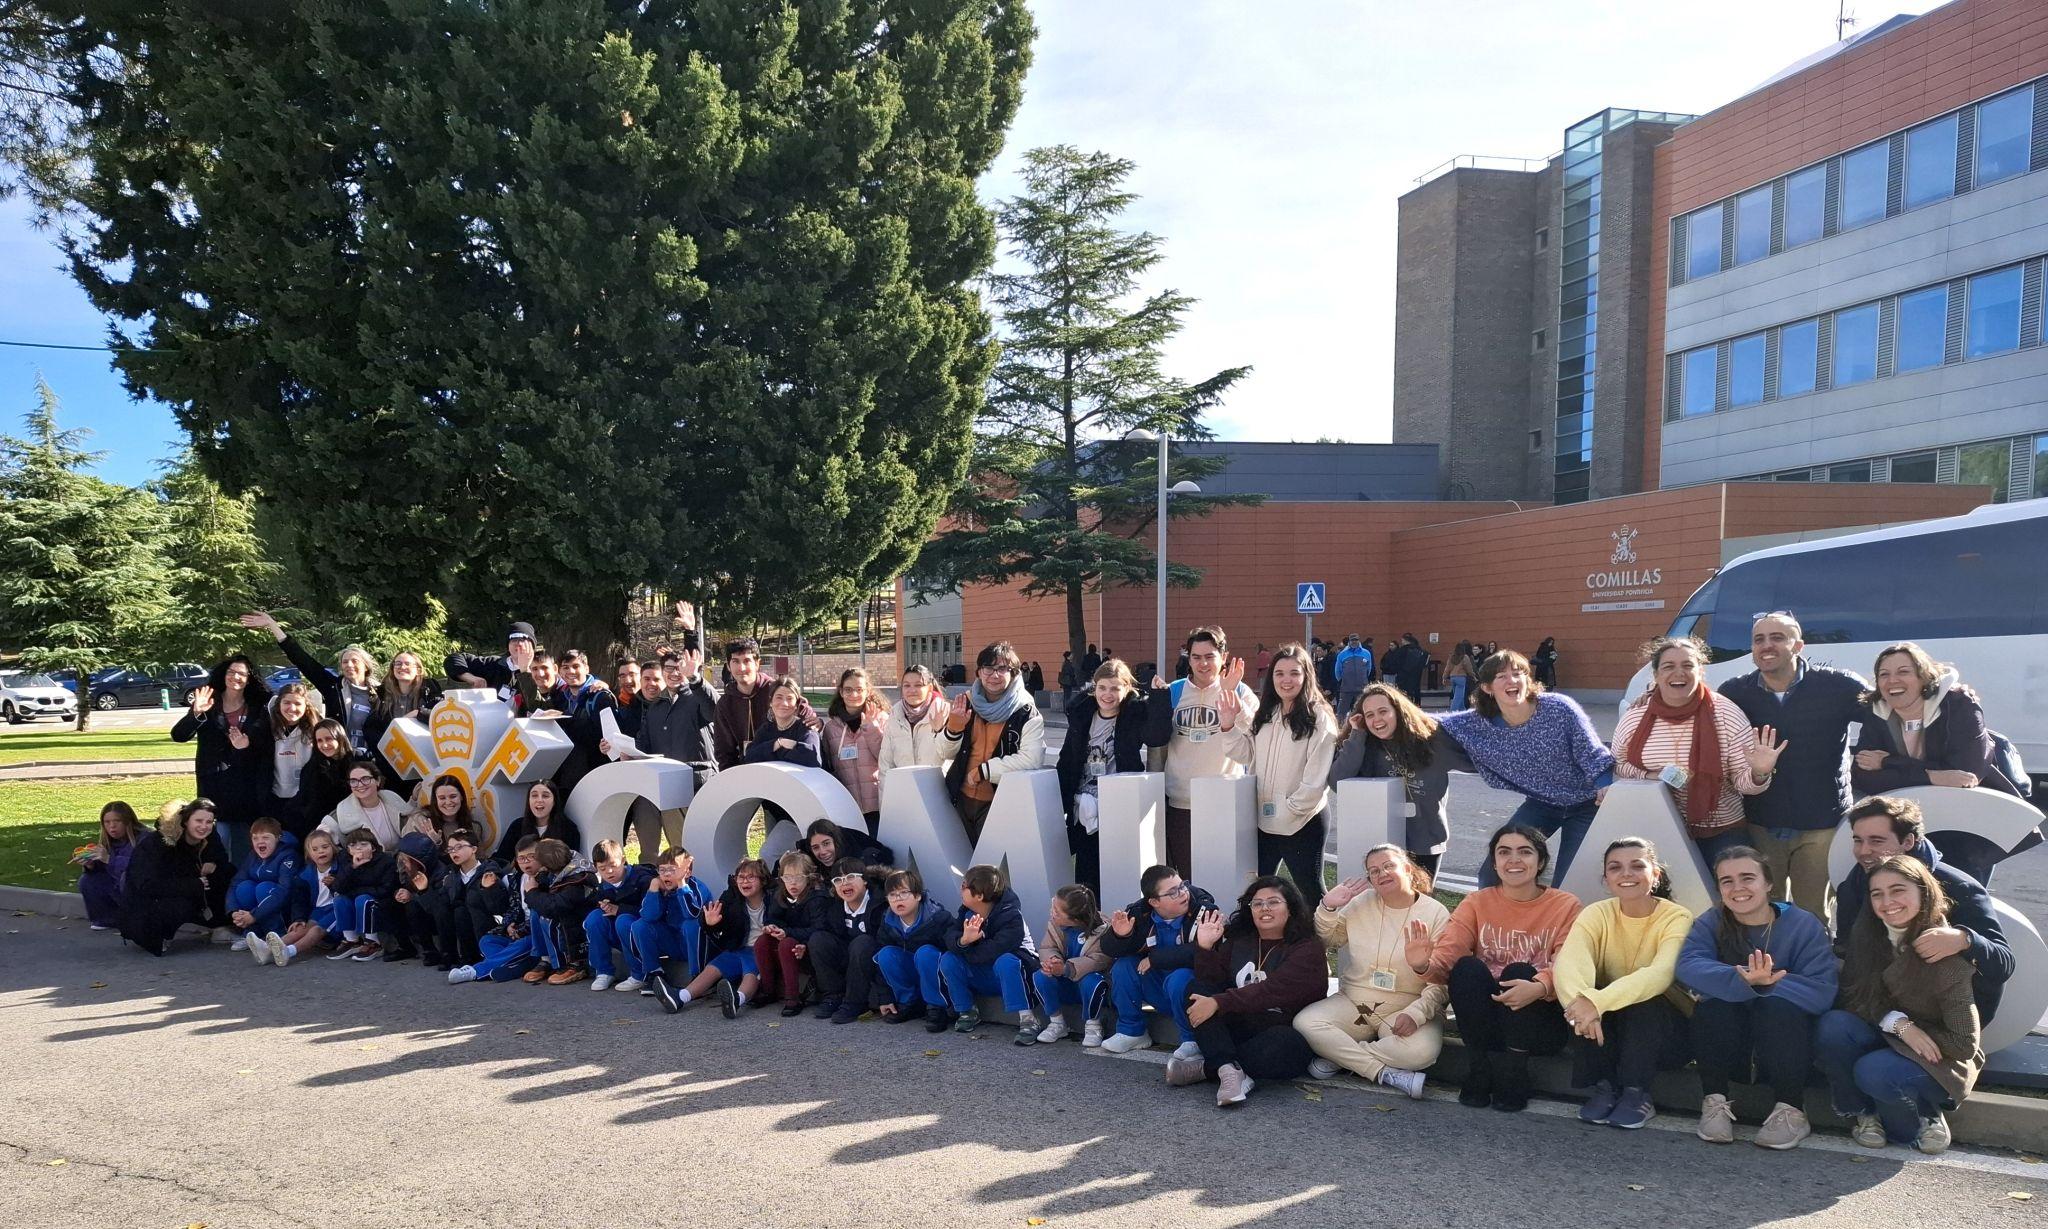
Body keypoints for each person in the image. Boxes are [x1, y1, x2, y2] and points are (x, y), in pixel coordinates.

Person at [1815, 855, 1983, 1154]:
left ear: (1924, 892)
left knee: (1874, 1072)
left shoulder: (1945, 952)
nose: (1887, 901)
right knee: (1834, 1026)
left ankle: (1926, 1112)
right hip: (1885, 1034)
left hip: (1936, 1057)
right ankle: (1862, 1113)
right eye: (1877, 893)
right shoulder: (1867, 935)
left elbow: (1964, 1044)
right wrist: (1898, 1024)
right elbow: (1852, 996)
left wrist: (1916, 1032)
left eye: (1898, 890)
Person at [1412, 823, 1581, 1111]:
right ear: (1495, 862)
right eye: (1504, 852)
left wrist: (1541, 987)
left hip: (1540, 1024)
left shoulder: (1565, 905)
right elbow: (1449, 956)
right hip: (1488, 1021)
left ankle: (1515, 1072)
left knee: (1520, 972)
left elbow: (1569, 964)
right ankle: (1479, 1068)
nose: (1514, 860)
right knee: (1466, 968)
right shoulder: (1477, 902)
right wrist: (1422, 965)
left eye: (1524, 852)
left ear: (1540, 861)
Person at [1677, 846, 1838, 1149]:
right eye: (1727, 881)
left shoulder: (1803, 924)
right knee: (1714, 1007)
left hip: (1785, 1042)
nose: (1737, 888)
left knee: (1777, 1006)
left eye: (1747, 878)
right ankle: (1714, 1101)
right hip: (1731, 1040)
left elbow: (1822, 991)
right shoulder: (1712, 921)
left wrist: (1766, 987)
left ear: (1768, 884)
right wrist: (1743, 981)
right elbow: (1688, 966)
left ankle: (1791, 1109)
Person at [1717, 611, 1869, 924]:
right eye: (1759, 639)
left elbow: (1888, 712)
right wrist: (1652, 699)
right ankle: (1770, 967)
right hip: (1763, 821)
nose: (1766, 645)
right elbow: (1699, 713)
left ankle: (1812, 970)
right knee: (1764, 907)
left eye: (1777, 637)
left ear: (1798, 645)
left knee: (1812, 911)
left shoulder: (1839, 687)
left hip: (1821, 822)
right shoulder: (1735, 692)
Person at [1852, 642, 2028, 885]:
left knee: (1963, 895)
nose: (1893, 680)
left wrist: (1889, 763)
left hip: (1965, 826)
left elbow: (1967, 774)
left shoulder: (1959, 703)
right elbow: (1863, 775)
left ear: (1924, 676)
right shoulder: (1876, 712)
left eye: (1904, 672)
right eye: (1884, 674)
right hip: (1909, 828)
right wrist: (1934, 776)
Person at [1553, 837, 1695, 1130]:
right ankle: (1605, 1087)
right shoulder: (1596, 913)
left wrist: (1596, 1002)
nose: (1626, 874)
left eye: (1637, 866)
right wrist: (1582, 1003)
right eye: (1615, 868)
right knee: (1580, 997)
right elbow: (1569, 964)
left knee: (1643, 1000)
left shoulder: (1677, 917)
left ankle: (1636, 1092)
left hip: (1665, 1033)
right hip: (1611, 1027)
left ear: (1655, 875)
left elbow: (1660, 974)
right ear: (1606, 879)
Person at [1833, 796, 2012, 1025]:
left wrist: (1964, 940)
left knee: (1878, 1063)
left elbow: (2003, 963)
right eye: (1858, 840)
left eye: (1876, 841)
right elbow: (1846, 952)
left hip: (1941, 1020)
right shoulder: (1854, 887)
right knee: (1834, 1029)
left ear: (1908, 842)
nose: (1863, 851)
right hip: (1880, 1010)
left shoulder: (1960, 888)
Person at [1439, 650, 1613, 886]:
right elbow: (1431, 722)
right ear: (1488, 688)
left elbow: (1591, 750)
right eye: (1501, 676)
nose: (1511, 680)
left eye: (1518, 673)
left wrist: (1604, 784)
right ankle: (1494, 922)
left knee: (1569, 883)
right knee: (1493, 875)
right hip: (1542, 804)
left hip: (1587, 805)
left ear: (1528, 679)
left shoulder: (1558, 708)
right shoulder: (1477, 722)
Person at [1611, 636, 1785, 865]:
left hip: (1720, 831)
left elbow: (1744, 784)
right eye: (1668, 667)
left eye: (1687, 665)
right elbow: (1618, 765)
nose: (1678, 673)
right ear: (1656, 675)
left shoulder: (1727, 714)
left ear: (1700, 671)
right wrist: (1650, 776)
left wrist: (1759, 773)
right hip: (1654, 827)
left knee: (1729, 894)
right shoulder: (1635, 717)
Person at [1295, 846, 1450, 1098]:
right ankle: (1383, 1072)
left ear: (1408, 869)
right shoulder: (1360, 903)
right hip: (1355, 1002)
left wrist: (1417, 1014)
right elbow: (1328, 940)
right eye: (1374, 871)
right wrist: (1327, 907)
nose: (1381, 874)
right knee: (1306, 1023)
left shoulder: (1435, 913)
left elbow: (1442, 981)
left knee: (1422, 1052)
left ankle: (1342, 1055)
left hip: (1406, 1006)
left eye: (1389, 866)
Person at [1163, 876, 1324, 1106]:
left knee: (1284, 1044)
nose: (1264, 909)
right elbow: (1213, 980)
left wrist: (1219, 1003)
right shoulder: (1242, 940)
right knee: (1197, 990)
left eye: (1273, 902)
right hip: (1241, 1023)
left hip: (1281, 1029)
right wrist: (1205, 947)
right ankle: (1230, 1070)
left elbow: (1273, 990)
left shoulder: (1307, 948)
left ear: (1291, 907)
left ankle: (1211, 1068)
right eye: (1257, 904)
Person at [1218, 642, 1337, 890]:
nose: (1286, 680)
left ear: (1306, 676)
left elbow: (1316, 780)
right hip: (1264, 821)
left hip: (1303, 821)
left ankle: (1319, 931)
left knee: (1310, 890)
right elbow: (1246, 754)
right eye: (1279, 673)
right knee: (1258, 890)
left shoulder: (1319, 717)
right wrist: (1228, 726)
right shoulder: (1267, 712)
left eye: (1294, 673)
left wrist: (1289, 810)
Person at [1328, 683, 1474, 877]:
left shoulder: (1431, 740)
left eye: (1383, 711)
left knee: (1420, 902)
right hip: (1381, 841)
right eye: (1369, 715)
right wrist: (1357, 734)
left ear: (1398, 711)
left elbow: (1476, 762)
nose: (1377, 720)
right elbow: (1338, 782)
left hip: (1425, 840)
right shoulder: (1365, 746)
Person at [1055, 659, 1169, 891]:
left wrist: (1160, 698)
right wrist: (1060, 798)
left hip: (1119, 804)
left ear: (1127, 689)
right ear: (1094, 688)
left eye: (1116, 688)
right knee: (1086, 872)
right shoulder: (1081, 713)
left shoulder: (1134, 714)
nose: (1108, 694)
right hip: (1083, 807)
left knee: (1118, 870)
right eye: (1102, 687)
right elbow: (1067, 758)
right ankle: (1090, 919)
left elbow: (1157, 737)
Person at [1155, 627, 1260, 876]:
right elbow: (1157, 741)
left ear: (1223, 657)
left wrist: (1229, 693)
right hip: (1181, 801)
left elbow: (1256, 734)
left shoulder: (1241, 691)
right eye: (1196, 657)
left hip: (1224, 800)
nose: (1203, 663)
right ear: (1188, 658)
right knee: (1186, 876)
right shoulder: (1174, 691)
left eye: (1210, 656)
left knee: (1226, 875)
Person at [1098, 864, 1219, 1057]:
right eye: (1173, 892)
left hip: (1190, 992)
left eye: (1182, 886)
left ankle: (1191, 1039)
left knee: (1180, 976)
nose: (1182, 894)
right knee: (1124, 965)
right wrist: (1120, 936)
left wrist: (1155, 959)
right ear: (1154, 901)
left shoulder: (1204, 911)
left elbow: (1201, 952)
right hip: (1157, 987)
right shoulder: (1139, 913)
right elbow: (1108, 949)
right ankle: (1132, 1031)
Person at [170, 655, 274, 865]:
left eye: (242, 674)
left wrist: (245, 747)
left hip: (247, 790)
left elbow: (265, 747)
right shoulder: (210, 703)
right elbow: (179, 735)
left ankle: (241, 892)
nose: (235, 677)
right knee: (217, 849)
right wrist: (196, 713)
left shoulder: (259, 707)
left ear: (249, 679)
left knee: (246, 853)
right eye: (231, 672)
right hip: (214, 787)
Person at [939, 640, 1045, 843]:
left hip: (1000, 803)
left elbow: (1032, 759)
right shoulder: (965, 703)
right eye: (988, 668)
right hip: (960, 798)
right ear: (978, 672)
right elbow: (943, 753)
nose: (994, 675)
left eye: (1002, 668)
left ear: (1014, 673)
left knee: (991, 867)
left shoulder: (1026, 711)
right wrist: (953, 728)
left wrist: (984, 771)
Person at [241, 611, 382, 759]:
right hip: (338, 757)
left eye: (354, 661)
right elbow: (303, 660)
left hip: (371, 760)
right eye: (345, 662)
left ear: (366, 666)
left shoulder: (381, 693)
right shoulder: (333, 687)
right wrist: (272, 625)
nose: (349, 665)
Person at [935, 863, 1041, 1042]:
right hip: (983, 973)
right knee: (949, 959)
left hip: (1013, 978)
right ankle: (967, 1011)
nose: (960, 890)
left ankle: (1028, 1019)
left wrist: (968, 947)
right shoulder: (966, 911)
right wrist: (964, 941)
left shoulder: (1011, 916)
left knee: (1006, 961)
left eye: (964, 886)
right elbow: (949, 936)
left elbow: (993, 951)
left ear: (979, 895)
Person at [119, 798, 232, 956]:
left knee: (227, 874)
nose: (204, 826)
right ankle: (157, 935)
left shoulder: (210, 836)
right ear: (185, 821)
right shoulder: (156, 844)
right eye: (198, 820)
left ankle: (221, 924)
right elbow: (147, 885)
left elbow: (221, 858)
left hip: (190, 886)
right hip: (148, 902)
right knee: (181, 903)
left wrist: (213, 861)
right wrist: (194, 884)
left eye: (209, 821)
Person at [658, 857, 769, 1016]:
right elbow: (711, 917)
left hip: (760, 950)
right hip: (737, 947)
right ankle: (680, 997)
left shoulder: (772, 898)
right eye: (741, 877)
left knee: (750, 973)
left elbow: (781, 919)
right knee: (713, 968)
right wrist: (711, 923)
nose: (745, 881)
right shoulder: (732, 897)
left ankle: (737, 999)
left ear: (763, 880)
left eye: (751, 877)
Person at [712, 636, 815, 771]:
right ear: (728, 666)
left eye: (747, 661)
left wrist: (815, 721)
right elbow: (724, 752)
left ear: (757, 663)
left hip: (782, 770)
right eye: (735, 661)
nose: (741, 668)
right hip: (744, 772)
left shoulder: (776, 690)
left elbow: (803, 711)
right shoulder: (725, 704)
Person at [806, 856, 888, 1023]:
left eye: (850, 877)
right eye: (838, 880)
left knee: (862, 942)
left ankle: (855, 1002)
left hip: (872, 960)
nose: (844, 883)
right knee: (818, 939)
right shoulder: (835, 906)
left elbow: (884, 942)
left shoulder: (880, 904)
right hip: (847, 958)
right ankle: (833, 995)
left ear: (865, 880)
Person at [450, 838, 542, 984]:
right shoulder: (516, 879)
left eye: (531, 857)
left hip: (537, 934)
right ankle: (520, 965)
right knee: (487, 941)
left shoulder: (546, 879)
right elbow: (512, 908)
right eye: (521, 858)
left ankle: (476, 970)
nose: (526, 862)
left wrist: (521, 930)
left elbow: (543, 912)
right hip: (517, 932)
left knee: (525, 943)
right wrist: (509, 924)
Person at [1029, 884, 1111, 1047]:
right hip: (1064, 984)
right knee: (1041, 976)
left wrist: (1066, 968)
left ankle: (1093, 1024)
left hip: (1086, 986)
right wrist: (1052, 961)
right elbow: (1047, 947)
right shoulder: (1055, 924)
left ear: (1075, 918)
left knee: (1092, 981)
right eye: (1053, 906)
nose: (1052, 913)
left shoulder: (1104, 929)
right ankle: (1057, 1022)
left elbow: (1100, 959)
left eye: (1057, 911)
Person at [872, 866, 954, 1026]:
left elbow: (953, 955)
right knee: (885, 954)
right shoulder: (888, 920)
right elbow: (878, 964)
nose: (898, 899)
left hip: (937, 978)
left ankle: (937, 1007)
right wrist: (885, 997)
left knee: (925, 953)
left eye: (904, 893)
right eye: (892, 895)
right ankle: (908, 1003)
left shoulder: (937, 918)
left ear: (917, 896)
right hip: (911, 973)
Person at [408, 827, 496, 972]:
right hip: (461, 921)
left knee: (462, 909)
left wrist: (488, 888)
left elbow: (495, 903)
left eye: (459, 847)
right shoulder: (451, 874)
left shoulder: (488, 869)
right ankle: (449, 954)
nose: (454, 852)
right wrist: (424, 890)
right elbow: (438, 907)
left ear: (474, 849)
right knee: (445, 907)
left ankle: (473, 956)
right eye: (450, 849)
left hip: (484, 920)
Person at [638, 848, 716, 1007]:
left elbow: (692, 914)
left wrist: (681, 884)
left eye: (672, 870)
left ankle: (698, 976)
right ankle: (655, 974)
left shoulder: (697, 887)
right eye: (662, 870)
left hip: (699, 945)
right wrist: (653, 888)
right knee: (640, 925)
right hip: (674, 943)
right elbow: (648, 916)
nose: (666, 874)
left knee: (691, 924)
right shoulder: (660, 887)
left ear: (686, 872)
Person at [519, 837, 597, 985]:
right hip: (565, 911)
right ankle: (546, 959)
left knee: (548, 917)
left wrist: (532, 892)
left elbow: (555, 907)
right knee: (536, 913)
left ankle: (573, 964)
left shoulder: (578, 878)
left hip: (578, 919)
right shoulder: (559, 869)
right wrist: (540, 882)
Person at [581, 839, 655, 991]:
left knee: (623, 920)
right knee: (594, 918)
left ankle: (639, 974)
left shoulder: (642, 878)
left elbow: (651, 912)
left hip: (642, 934)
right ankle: (603, 971)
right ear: (596, 867)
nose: (609, 872)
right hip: (618, 935)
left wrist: (619, 910)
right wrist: (604, 907)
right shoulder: (603, 887)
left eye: (613, 866)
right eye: (602, 868)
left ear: (623, 860)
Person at [757, 850, 821, 1015]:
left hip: (807, 948)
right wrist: (771, 926)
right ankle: (767, 990)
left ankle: (793, 997)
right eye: (787, 878)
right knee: (762, 941)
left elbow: (818, 929)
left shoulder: (817, 898)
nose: (793, 883)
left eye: (798, 878)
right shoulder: (781, 895)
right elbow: (773, 917)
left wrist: (787, 932)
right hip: (788, 938)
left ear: (809, 877)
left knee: (787, 944)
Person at [225, 817, 300, 959]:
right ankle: (252, 934)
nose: (260, 842)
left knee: (263, 888)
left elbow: (284, 891)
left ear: (278, 838)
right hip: (257, 912)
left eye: (266, 837)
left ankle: (277, 934)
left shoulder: (288, 855)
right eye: (255, 838)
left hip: (285, 907)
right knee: (244, 887)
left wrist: (253, 915)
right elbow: (236, 882)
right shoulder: (253, 855)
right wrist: (233, 911)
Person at [820, 667, 888, 824]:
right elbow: (830, 767)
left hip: (879, 804)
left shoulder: (882, 719)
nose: (854, 695)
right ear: (841, 692)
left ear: (868, 691)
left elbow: (886, 760)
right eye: (848, 690)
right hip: (848, 806)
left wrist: (871, 728)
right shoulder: (831, 728)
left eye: (859, 689)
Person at [324, 827, 400, 962]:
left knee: (363, 900)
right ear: (348, 850)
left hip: (381, 902)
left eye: (364, 845)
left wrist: (355, 893)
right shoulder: (345, 860)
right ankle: (352, 940)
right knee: (340, 899)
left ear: (373, 848)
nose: (358, 849)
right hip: (356, 897)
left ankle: (373, 942)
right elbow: (338, 887)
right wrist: (352, 867)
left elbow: (385, 889)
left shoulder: (385, 861)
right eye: (353, 845)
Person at [549, 648, 616, 801]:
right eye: (565, 667)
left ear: (586, 668)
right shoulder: (560, 698)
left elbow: (611, 739)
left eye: (576, 666)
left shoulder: (600, 697)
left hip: (595, 776)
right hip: (568, 775)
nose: (571, 671)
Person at [368, 650, 443, 785]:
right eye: (398, 664)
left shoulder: (430, 691)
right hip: (394, 765)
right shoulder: (382, 695)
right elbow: (372, 729)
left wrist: (418, 714)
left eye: (407, 664)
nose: (402, 667)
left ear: (418, 669)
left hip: (428, 762)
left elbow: (441, 718)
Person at [273, 827, 343, 966]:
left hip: (336, 908)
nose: (321, 851)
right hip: (318, 909)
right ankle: (268, 948)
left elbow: (349, 887)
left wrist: (336, 883)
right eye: (315, 849)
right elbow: (300, 900)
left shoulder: (341, 867)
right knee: (301, 928)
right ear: (309, 854)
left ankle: (289, 951)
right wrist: (298, 918)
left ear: (333, 848)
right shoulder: (306, 874)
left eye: (325, 847)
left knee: (316, 930)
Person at [444, 621, 544, 713]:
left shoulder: (542, 671)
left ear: (532, 646)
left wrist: (525, 671)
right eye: (514, 640)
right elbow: (453, 660)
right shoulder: (493, 664)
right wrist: (472, 679)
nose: (519, 644)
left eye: (524, 640)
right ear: (508, 646)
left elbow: (538, 708)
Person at [877, 663, 952, 784]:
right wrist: (886, 799)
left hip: (936, 788)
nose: (912, 690)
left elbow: (950, 755)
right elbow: (886, 763)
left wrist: (938, 731)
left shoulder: (944, 712)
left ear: (930, 688)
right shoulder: (895, 715)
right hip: (904, 789)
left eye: (918, 685)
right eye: (907, 685)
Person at [77, 800, 144, 931]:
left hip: (141, 890)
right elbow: (104, 871)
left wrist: (108, 859)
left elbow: (140, 867)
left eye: (117, 821)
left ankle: (136, 918)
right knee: (87, 880)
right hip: (117, 888)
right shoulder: (107, 841)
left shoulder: (145, 838)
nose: (112, 826)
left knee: (127, 877)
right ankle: (107, 918)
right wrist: (90, 865)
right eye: (107, 822)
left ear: (127, 821)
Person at [265, 683, 318, 838]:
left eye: (297, 703)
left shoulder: (315, 730)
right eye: (287, 703)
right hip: (276, 800)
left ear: (306, 706)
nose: (292, 708)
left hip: (306, 802)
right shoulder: (267, 729)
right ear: (278, 704)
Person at [320, 764, 412, 852]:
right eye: (353, 781)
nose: (360, 785)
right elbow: (319, 843)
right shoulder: (339, 816)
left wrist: (414, 801)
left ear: (378, 780)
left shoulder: (393, 799)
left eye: (365, 779)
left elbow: (410, 822)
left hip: (404, 861)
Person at [492, 780, 581, 866]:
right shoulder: (517, 826)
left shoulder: (569, 829)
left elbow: (572, 863)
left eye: (545, 796)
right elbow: (502, 859)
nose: (539, 800)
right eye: (534, 796)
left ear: (554, 801)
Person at [293, 720, 355, 842]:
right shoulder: (312, 768)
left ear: (340, 738)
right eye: (319, 741)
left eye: (329, 739)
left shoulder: (356, 763)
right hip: (318, 830)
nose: (324, 745)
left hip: (351, 825)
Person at [745, 676, 823, 767]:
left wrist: (772, 752)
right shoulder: (765, 730)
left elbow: (812, 758)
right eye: (779, 697)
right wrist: (777, 744)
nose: (784, 703)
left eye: (790, 699)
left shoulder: (806, 729)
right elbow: (749, 757)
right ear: (771, 702)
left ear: (796, 705)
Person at [804, 818, 892, 881]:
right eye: (815, 847)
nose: (822, 851)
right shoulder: (810, 865)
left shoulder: (865, 861)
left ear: (836, 841)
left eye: (826, 843)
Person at [1382, 633, 1429, 703]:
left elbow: (1396, 663)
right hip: (1416, 677)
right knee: (1416, 694)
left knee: (1403, 695)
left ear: (1405, 640)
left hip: (1403, 677)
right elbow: (1424, 663)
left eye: (1402, 640)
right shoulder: (1420, 650)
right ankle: (1417, 707)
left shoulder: (1402, 650)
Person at [1333, 634, 1372, 716]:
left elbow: (1369, 669)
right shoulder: (1342, 655)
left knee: (1362, 710)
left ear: (1359, 641)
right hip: (1346, 689)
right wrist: (1343, 681)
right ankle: (1341, 727)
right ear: (1349, 642)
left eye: (1356, 640)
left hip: (1362, 689)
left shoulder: (1366, 653)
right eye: (1352, 640)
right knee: (1342, 712)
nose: (1354, 642)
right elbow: (1337, 671)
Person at [1444, 641, 1475, 711]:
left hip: (1452, 678)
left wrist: (1444, 677)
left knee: (1458, 696)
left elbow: (1447, 668)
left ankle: (1462, 711)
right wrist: (1473, 676)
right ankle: (1452, 712)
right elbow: (1469, 669)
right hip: (1461, 678)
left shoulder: (1452, 657)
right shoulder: (1465, 657)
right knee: (1458, 697)